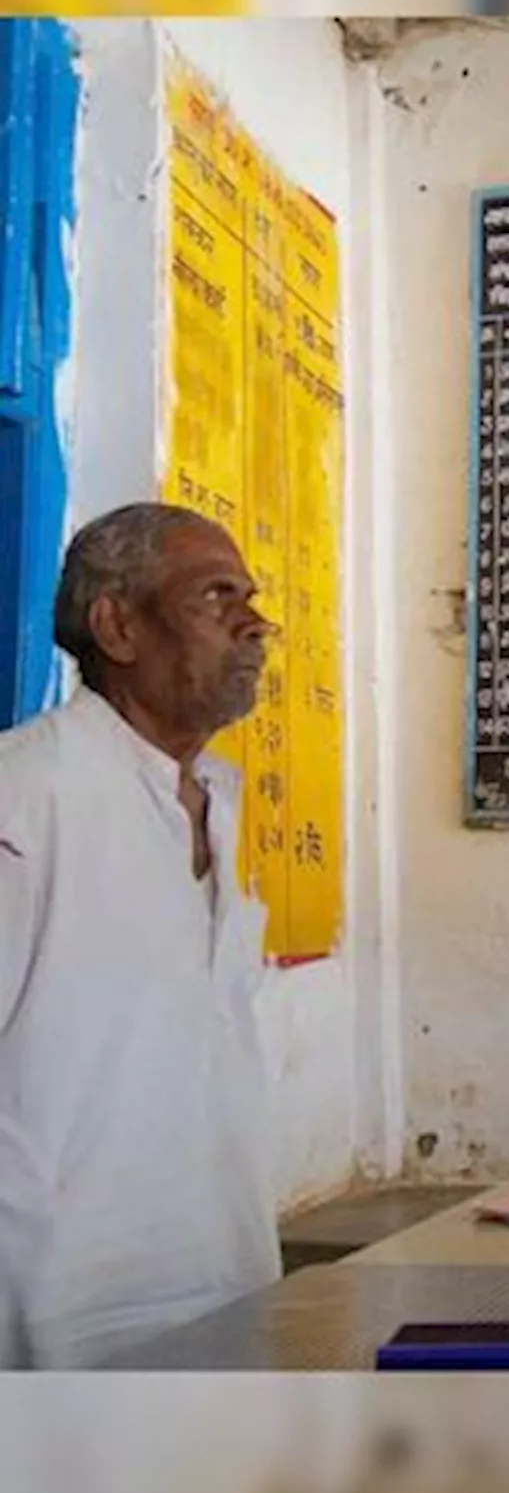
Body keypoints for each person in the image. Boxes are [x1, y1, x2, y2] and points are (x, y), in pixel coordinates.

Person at [0, 503, 283, 1367]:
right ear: (117, 626)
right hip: (56, 1306)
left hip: (223, 1276)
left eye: (251, 597)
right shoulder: (26, 795)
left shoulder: (219, 799)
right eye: (215, 596)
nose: (254, 622)